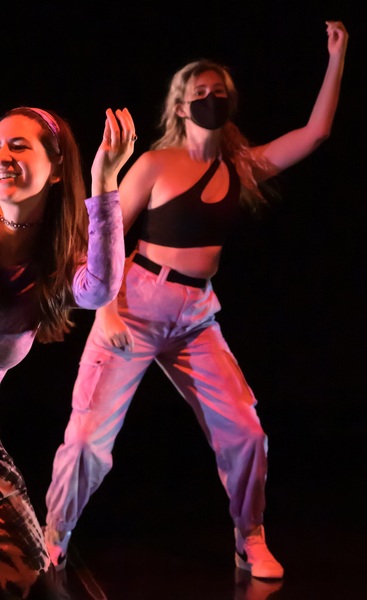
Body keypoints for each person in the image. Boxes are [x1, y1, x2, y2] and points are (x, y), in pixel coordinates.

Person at [44, 21, 348, 579]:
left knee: (246, 430)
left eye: (219, 92)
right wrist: (104, 307)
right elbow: (102, 235)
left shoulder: (240, 166)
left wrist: (338, 56)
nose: (211, 99)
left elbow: (316, 132)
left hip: (195, 314)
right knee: (87, 438)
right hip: (134, 303)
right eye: (199, 94)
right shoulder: (156, 164)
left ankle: (249, 537)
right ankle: (54, 537)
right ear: (180, 107)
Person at [0, 105, 136, 598]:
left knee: (26, 571)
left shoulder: (57, 258)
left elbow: (99, 290)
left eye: (19, 145)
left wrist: (105, 180)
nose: (3, 156)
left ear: (57, 166)